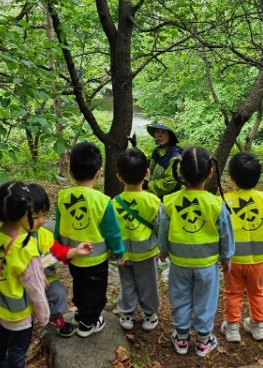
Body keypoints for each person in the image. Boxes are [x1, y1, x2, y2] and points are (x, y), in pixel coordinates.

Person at [159, 147, 234, 357]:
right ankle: (203, 341)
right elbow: (225, 234)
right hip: (207, 264)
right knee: (205, 300)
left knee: (180, 297)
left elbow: (163, 230)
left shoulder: (169, 201)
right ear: (211, 172)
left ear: (180, 171)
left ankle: (181, 338)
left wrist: (163, 250)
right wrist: (226, 257)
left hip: (179, 263)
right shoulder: (216, 204)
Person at [0, 181, 50, 368]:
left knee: (0, 338)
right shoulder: (25, 247)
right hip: (18, 309)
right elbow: (35, 287)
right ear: (25, 212)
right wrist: (43, 315)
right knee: (17, 350)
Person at [55, 141, 125, 337]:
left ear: (70, 172)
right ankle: (89, 322)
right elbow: (112, 232)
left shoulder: (63, 196)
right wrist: (119, 252)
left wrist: (57, 249)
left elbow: (58, 228)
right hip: (95, 259)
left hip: (73, 256)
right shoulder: (103, 202)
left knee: (79, 284)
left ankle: (81, 312)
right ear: (99, 172)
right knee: (95, 291)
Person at [221, 152, 263, 343]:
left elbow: (221, 232)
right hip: (257, 261)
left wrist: (221, 254)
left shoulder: (225, 201)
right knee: (257, 292)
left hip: (233, 261)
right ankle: (259, 326)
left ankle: (232, 327)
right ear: (258, 176)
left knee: (233, 293)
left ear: (231, 178)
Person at [27, 183, 93, 338]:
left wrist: (75, 251)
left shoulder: (44, 235)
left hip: (46, 279)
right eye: (36, 217)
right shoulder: (15, 239)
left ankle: (54, 317)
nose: (42, 221)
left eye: (44, 215)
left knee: (58, 292)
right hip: (22, 282)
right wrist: (34, 273)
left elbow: (57, 251)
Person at [112, 148, 163, 331]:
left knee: (127, 283)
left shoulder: (114, 203)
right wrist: (162, 247)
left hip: (123, 253)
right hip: (148, 252)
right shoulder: (153, 201)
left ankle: (127, 313)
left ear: (119, 176)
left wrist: (113, 249)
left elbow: (112, 231)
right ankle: (150, 314)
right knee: (149, 284)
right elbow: (160, 227)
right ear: (147, 173)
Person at [145, 119, 183, 198]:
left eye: (163, 132)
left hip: (168, 201)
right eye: (157, 131)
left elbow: (168, 184)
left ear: (170, 135)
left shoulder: (175, 158)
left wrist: (147, 185)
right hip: (154, 197)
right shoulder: (157, 151)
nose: (159, 135)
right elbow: (151, 171)